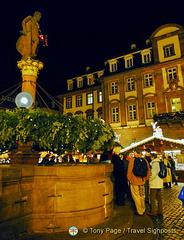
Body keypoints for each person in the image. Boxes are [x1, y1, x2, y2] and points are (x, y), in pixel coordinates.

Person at [127, 150, 150, 216]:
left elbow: (129, 170)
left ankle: (139, 211)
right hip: (142, 180)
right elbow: (148, 170)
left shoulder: (133, 160)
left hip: (134, 180)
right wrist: (145, 178)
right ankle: (143, 208)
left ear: (135, 153)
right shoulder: (144, 160)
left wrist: (129, 179)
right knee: (142, 195)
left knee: (136, 196)